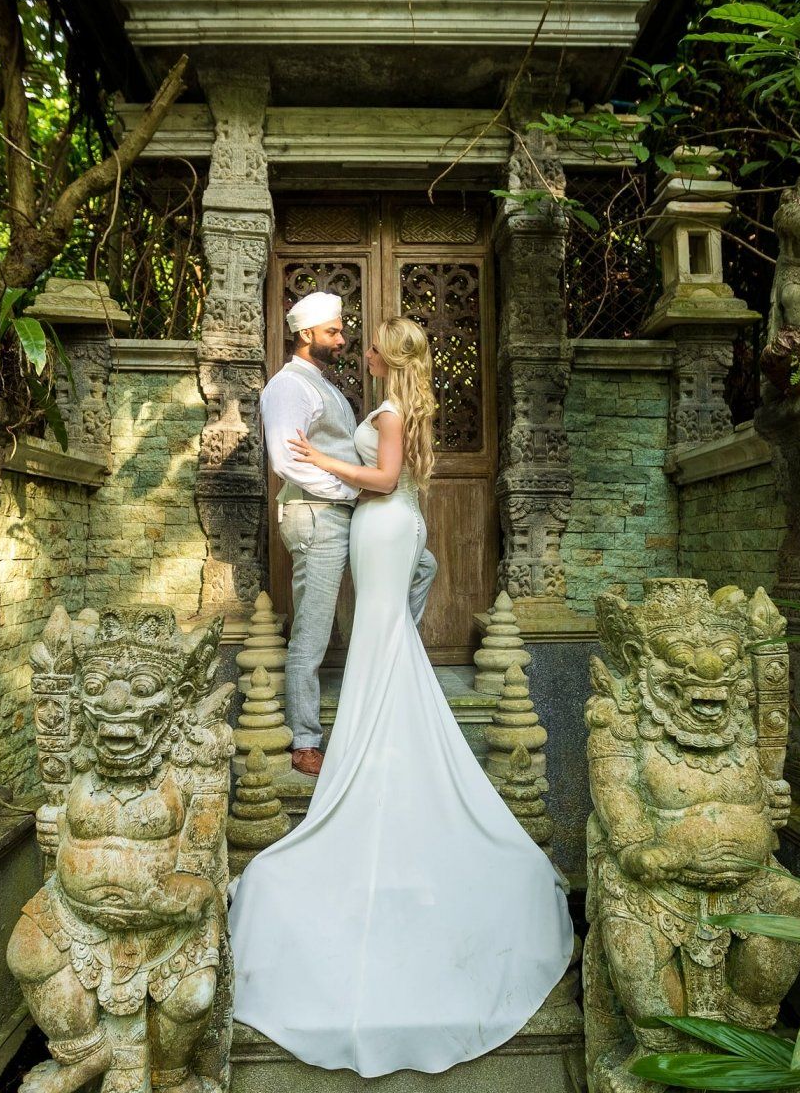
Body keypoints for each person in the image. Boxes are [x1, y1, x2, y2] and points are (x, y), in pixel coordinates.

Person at [229, 316, 574, 1077]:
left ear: (390, 356)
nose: (365, 350)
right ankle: (380, 733)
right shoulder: (405, 407)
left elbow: (384, 481)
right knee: (385, 640)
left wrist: (322, 458)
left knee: (381, 637)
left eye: (375, 343)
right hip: (392, 527)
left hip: (382, 524)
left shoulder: (389, 413)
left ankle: (375, 742)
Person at [259, 292, 436, 777]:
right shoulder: (288, 387)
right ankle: (305, 740)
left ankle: (393, 663)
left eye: (341, 331)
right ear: (307, 334)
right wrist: (348, 490)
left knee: (424, 566)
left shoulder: (322, 383)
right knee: (313, 628)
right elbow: (287, 460)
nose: (343, 340)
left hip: (350, 513)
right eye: (333, 332)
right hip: (318, 514)